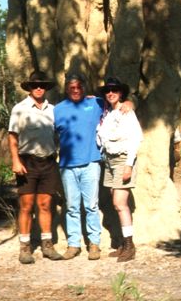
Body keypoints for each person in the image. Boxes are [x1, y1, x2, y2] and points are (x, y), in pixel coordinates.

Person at [54, 72, 134, 261]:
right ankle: (73, 244)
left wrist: (131, 103)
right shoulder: (57, 109)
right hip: (67, 165)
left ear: (84, 87)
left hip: (91, 163)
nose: (75, 90)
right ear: (66, 89)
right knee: (72, 206)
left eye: (79, 87)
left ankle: (94, 244)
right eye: (71, 87)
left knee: (91, 206)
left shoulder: (96, 104)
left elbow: (119, 103)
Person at [8, 70, 63, 264]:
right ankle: (25, 247)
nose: (38, 88)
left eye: (42, 85)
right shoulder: (20, 109)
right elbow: (12, 136)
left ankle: (47, 245)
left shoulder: (54, 109)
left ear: (46, 88)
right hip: (27, 162)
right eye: (34, 85)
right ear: (29, 88)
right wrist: (15, 160)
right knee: (26, 206)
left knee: (46, 205)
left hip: (48, 162)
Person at [96, 77, 143, 262]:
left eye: (114, 90)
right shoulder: (107, 114)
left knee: (120, 203)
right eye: (107, 90)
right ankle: (123, 243)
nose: (110, 93)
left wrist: (129, 165)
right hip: (109, 160)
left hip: (123, 160)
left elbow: (135, 139)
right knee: (115, 203)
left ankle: (130, 245)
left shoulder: (127, 112)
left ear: (121, 93)